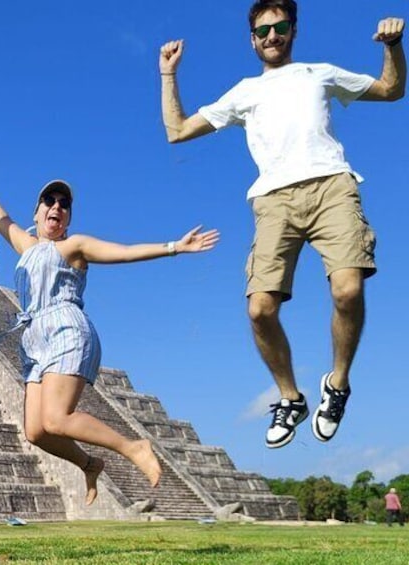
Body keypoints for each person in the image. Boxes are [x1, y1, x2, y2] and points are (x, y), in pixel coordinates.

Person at [159, 0, 405, 448]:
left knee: (348, 288)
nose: (271, 36)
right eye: (262, 31)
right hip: (273, 200)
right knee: (260, 309)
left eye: (280, 27)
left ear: (293, 30)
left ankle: (338, 383)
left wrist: (393, 46)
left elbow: (391, 89)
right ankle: (290, 397)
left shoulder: (320, 73)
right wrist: (168, 74)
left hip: (332, 185)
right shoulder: (243, 92)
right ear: (252, 40)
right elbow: (176, 130)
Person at [0, 163, 220, 504]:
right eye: (49, 201)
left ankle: (134, 446)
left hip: (66, 329)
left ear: (67, 220)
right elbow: (3, 221)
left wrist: (174, 246)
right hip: (34, 341)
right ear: (37, 212)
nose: (57, 206)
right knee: (37, 431)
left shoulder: (73, 247)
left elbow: (124, 252)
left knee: (57, 418)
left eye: (64, 204)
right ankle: (89, 464)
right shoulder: (27, 247)